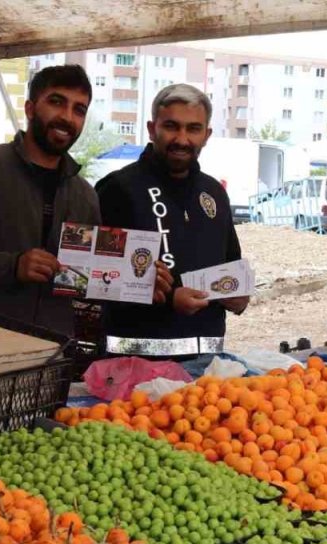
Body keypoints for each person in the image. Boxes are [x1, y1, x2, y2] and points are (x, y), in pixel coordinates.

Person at [0, 65, 169, 336]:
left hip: (52, 357)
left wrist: (139, 282)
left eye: (79, 110)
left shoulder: (84, 194)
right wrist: (12, 266)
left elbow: (88, 280)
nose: (67, 117)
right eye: (57, 102)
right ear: (29, 108)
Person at [95, 84, 246, 359]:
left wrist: (239, 295)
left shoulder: (214, 193)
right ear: (152, 129)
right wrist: (165, 299)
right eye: (171, 126)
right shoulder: (118, 189)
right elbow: (89, 275)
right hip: (134, 369)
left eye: (193, 129)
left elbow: (231, 266)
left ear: (207, 135)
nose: (182, 138)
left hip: (208, 375)